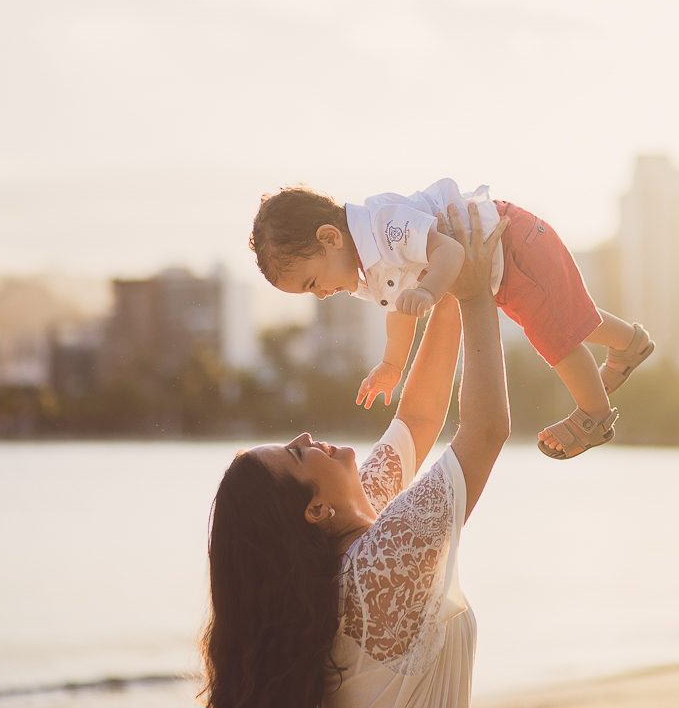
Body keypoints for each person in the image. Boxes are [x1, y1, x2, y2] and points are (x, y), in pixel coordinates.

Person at [204, 204, 511, 707]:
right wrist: (477, 295)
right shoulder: (378, 565)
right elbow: (485, 432)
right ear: (316, 510)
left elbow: (416, 420)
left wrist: (451, 283)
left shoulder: (350, 541)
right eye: (297, 455)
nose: (304, 436)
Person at [250, 179, 654, 460]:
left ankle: (595, 416)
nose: (320, 294)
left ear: (329, 238)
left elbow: (449, 253)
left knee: (554, 334)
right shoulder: (366, 267)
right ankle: (629, 344)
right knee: (567, 314)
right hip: (501, 266)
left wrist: (428, 291)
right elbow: (398, 311)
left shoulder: (384, 227)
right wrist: (393, 366)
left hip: (513, 243)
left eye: (312, 282)